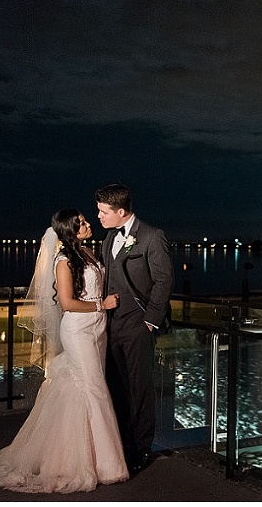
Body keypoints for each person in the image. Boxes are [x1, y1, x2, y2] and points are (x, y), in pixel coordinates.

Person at [0, 209, 128, 493]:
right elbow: (67, 303)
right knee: (94, 388)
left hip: (98, 329)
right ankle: (104, 465)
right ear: (70, 230)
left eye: (86, 221)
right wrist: (103, 305)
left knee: (84, 388)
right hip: (78, 329)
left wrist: (103, 311)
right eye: (82, 223)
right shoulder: (64, 261)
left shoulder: (87, 252)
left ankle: (83, 455)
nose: (88, 224)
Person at [95, 183, 174, 474]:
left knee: (141, 389)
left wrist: (150, 322)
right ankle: (120, 443)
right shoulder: (107, 239)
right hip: (111, 326)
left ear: (121, 211)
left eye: (103, 212)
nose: (99, 217)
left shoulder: (153, 237)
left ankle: (141, 448)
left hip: (139, 326)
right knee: (116, 387)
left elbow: (164, 281)